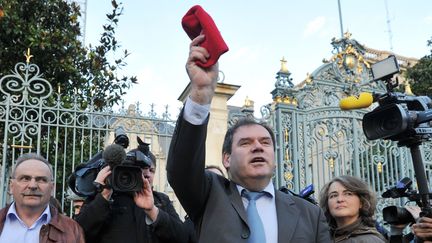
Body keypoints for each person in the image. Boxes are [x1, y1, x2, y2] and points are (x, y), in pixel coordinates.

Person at [167, 34, 331, 242]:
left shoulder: (310, 214)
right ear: (226, 158)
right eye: (245, 143)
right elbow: (181, 168)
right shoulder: (207, 196)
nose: (257, 147)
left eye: (265, 142)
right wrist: (201, 92)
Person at [75, 143, 189, 243]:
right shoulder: (104, 197)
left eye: (152, 170)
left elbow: (182, 238)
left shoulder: (161, 201)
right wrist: (103, 196)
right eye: (141, 169)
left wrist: (152, 211)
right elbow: (77, 233)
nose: (147, 174)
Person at [0, 153, 85, 242]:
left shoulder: (73, 230)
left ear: (52, 188)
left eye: (41, 180)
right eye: (25, 178)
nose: (33, 186)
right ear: (11, 186)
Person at [319, 175, 386, 242]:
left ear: (362, 202)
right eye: (333, 195)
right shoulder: (322, 238)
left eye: (348, 194)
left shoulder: (370, 240)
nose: (340, 199)